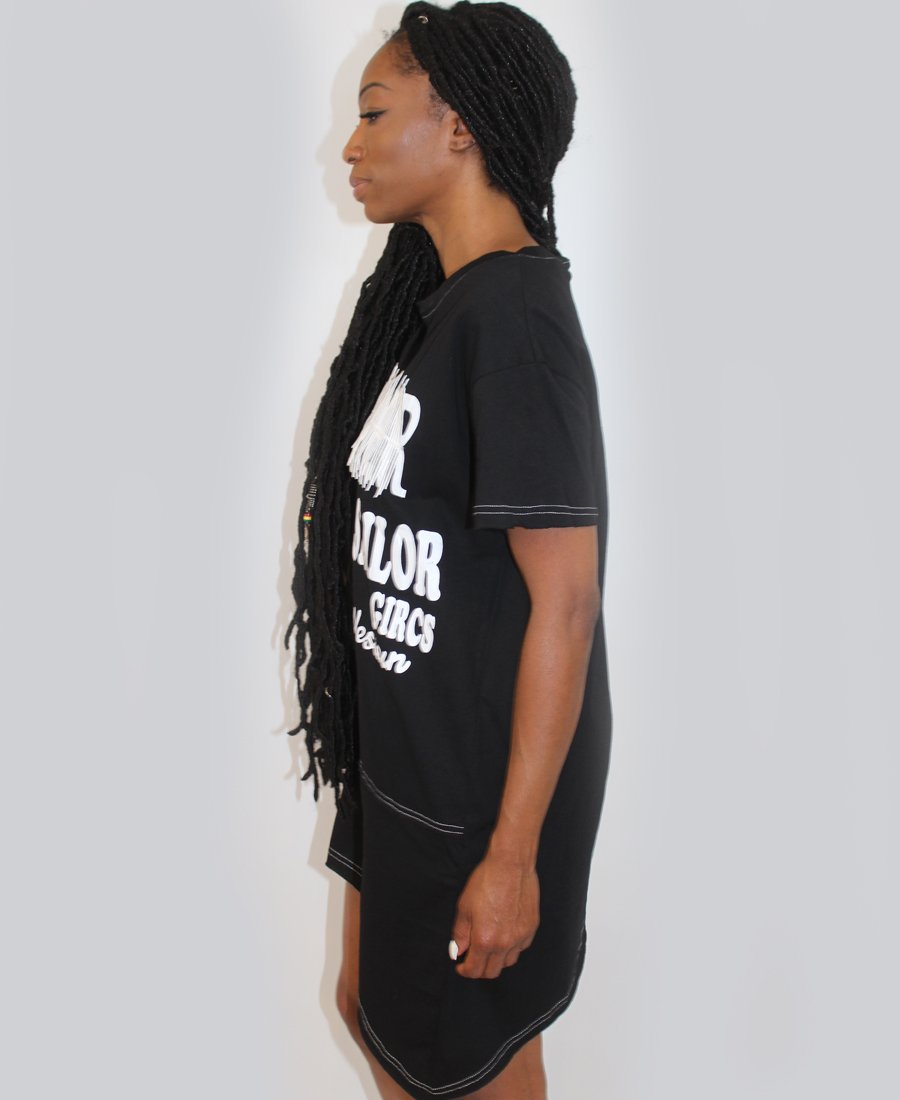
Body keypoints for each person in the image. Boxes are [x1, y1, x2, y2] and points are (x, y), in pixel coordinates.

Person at [284, 3, 613, 1097]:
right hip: (409, 761)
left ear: (460, 125)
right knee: (369, 1009)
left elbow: (567, 604)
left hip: (480, 793)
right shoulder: (445, 305)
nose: (351, 144)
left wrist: (512, 854)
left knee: (459, 1058)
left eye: (375, 113)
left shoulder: (515, 320)